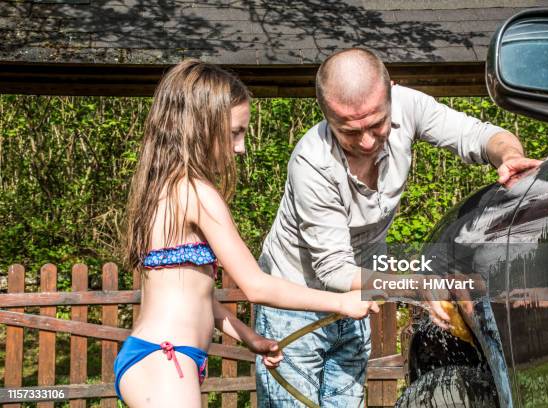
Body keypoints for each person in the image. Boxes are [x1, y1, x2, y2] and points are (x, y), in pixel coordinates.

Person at [255, 48, 542, 407]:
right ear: (326, 115)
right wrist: (414, 285)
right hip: (293, 300)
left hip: (357, 300)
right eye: (349, 131)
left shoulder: (408, 105)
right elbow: (333, 269)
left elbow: (479, 135)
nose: (367, 141)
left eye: (377, 124)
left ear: (391, 92)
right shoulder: (311, 162)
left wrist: (509, 155)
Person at [113, 59, 379, 408]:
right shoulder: (196, 194)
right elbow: (255, 285)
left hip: (156, 358)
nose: (240, 148)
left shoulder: (161, 190)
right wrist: (340, 302)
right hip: (166, 361)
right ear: (201, 127)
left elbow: (196, 296)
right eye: (235, 133)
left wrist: (249, 337)